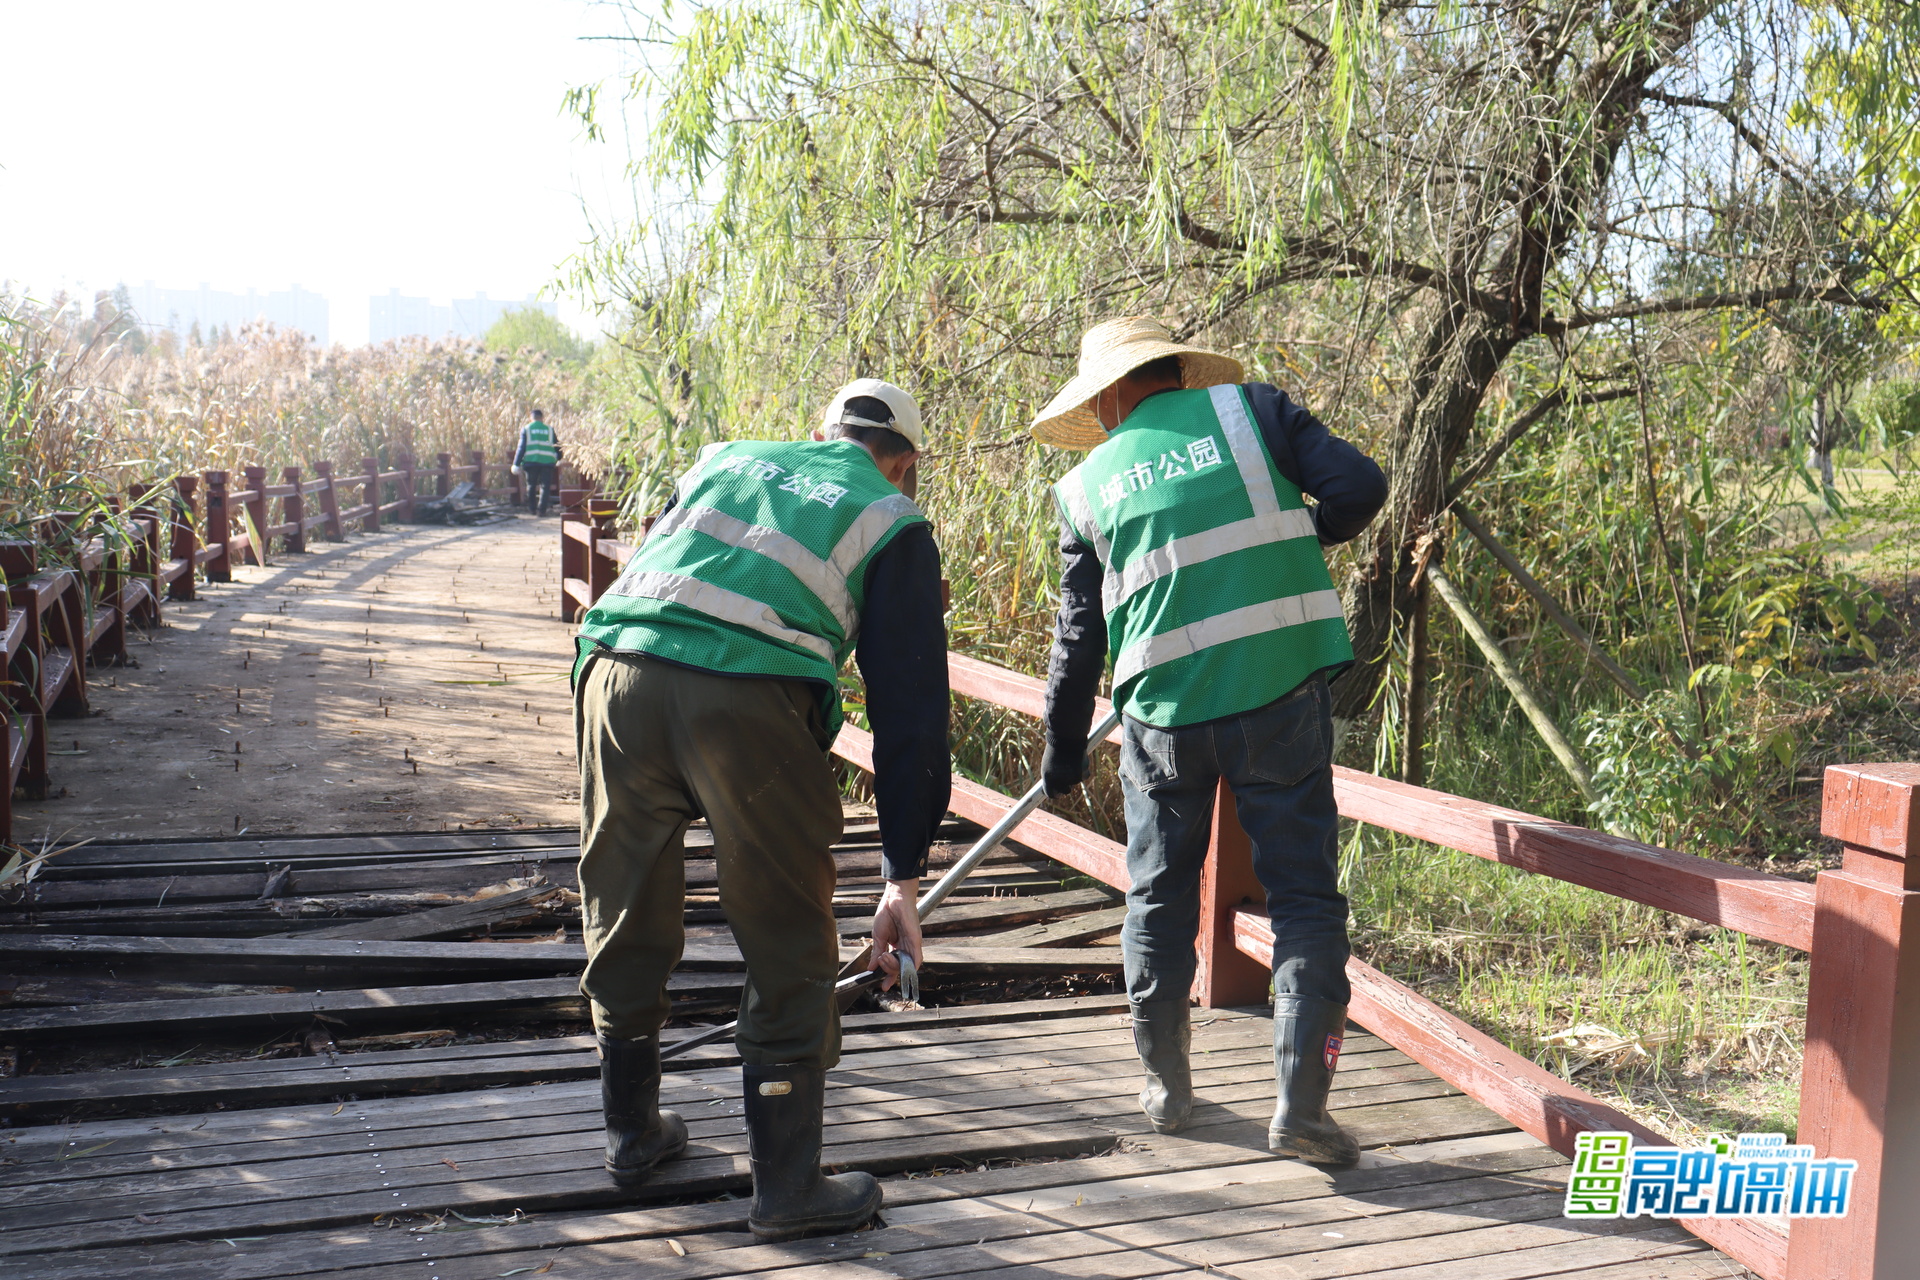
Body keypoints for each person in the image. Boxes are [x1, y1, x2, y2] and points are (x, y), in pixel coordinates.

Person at [569, 378, 951, 1240]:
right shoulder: (890, 517)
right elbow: (911, 715)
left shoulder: (727, 459)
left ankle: (631, 1134)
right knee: (786, 934)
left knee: (623, 903)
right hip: (743, 702)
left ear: (819, 433)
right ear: (905, 463)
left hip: (615, 670)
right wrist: (902, 875)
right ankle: (787, 1190)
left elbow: (659, 575)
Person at [1033, 317, 1386, 1166]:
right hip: (1276, 697)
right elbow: (1360, 488)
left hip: (1162, 722)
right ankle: (1302, 1107)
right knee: (1302, 899)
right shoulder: (1249, 414)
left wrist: (1061, 744)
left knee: (1157, 895)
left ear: (1110, 394)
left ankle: (1167, 1090)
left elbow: (1078, 636)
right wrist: (1300, 534)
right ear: (1177, 373)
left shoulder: (1086, 486)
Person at [514, 409, 562, 515]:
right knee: (545, 486)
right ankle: (542, 510)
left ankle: (532, 509)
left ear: (531, 418)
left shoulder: (527, 429)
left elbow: (521, 447)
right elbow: (557, 445)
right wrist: (559, 457)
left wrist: (516, 464)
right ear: (542, 418)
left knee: (531, 485)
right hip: (547, 462)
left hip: (531, 462)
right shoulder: (549, 429)